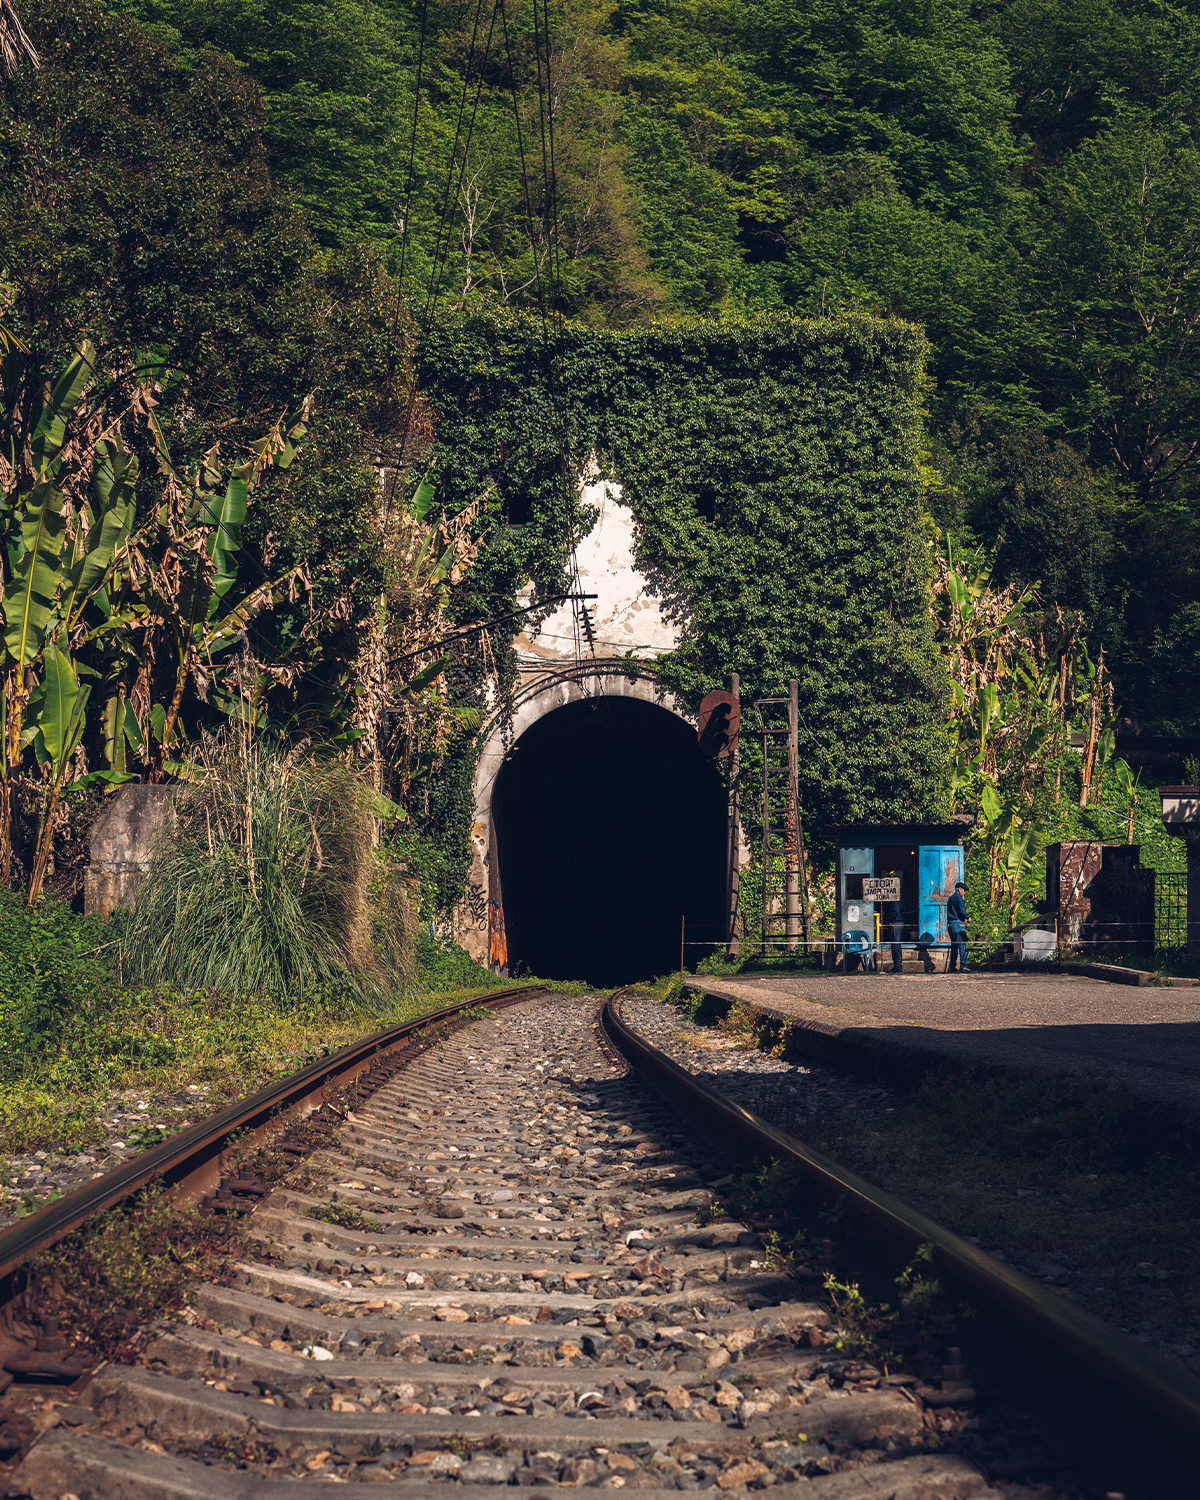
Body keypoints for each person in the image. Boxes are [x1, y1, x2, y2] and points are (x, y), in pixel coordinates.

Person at [947, 880, 970, 973]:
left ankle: (952, 966)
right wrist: (967, 917)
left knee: (954, 946)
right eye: (964, 890)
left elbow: (954, 911)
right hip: (958, 925)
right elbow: (961, 910)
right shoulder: (959, 898)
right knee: (963, 944)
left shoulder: (951, 898)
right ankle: (964, 965)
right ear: (960, 889)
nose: (964, 892)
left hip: (951, 924)